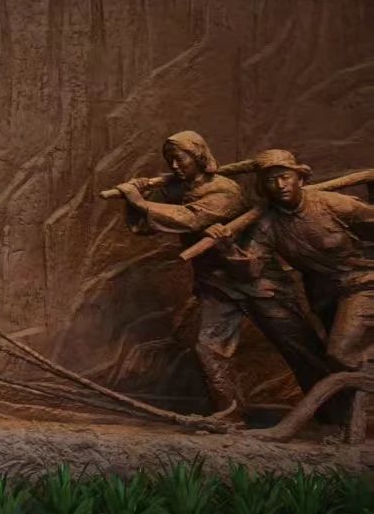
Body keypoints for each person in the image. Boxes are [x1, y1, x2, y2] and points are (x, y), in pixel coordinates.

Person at [116, 132, 327, 420]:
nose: (175, 166)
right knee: (209, 348)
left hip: (256, 279)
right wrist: (136, 199)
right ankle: (229, 415)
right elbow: (146, 226)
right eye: (170, 160)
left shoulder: (225, 190)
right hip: (217, 283)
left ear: (199, 156)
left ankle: (334, 410)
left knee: (298, 346)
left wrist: (141, 201)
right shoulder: (176, 191)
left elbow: (191, 218)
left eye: (181, 159)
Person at [213, 149, 374, 379]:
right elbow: (252, 269)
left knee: (342, 353)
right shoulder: (266, 226)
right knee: (342, 361)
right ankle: (356, 399)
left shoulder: (332, 204)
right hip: (324, 297)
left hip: (362, 284)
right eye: (271, 180)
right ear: (263, 187)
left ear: (300, 178)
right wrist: (227, 247)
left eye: (285, 177)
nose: (280, 185)